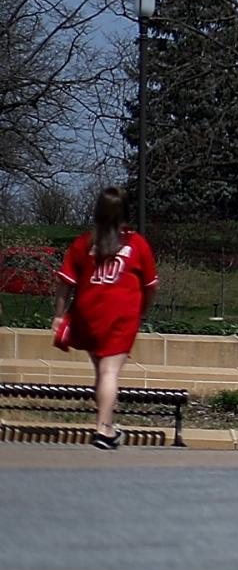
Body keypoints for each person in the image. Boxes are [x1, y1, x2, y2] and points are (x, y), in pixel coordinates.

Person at [50, 186, 156, 448]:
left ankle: (108, 425)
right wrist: (143, 309)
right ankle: (102, 429)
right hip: (121, 315)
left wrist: (59, 314)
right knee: (110, 372)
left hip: (89, 314)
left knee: (102, 371)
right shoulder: (136, 245)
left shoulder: (83, 244)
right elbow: (151, 284)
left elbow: (65, 284)